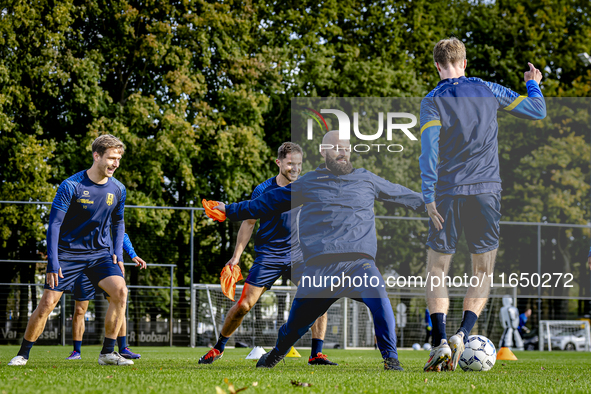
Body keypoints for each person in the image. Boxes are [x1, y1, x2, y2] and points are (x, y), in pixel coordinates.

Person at [212, 131, 425, 371]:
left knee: (379, 297)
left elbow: (400, 193)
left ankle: (391, 359)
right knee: (295, 327)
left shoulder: (367, 179)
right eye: (336, 147)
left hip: (359, 264)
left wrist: (431, 205)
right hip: (320, 270)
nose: (342, 152)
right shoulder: (309, 182)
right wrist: (230, 210)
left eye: (346, 148)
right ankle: (276, 354)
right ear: (323, 151)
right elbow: (266, 203)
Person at [419, 38, 546, 371]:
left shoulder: (432, 100)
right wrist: (533, 86)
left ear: (437, 65)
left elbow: (429, 152)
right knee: (483, 270)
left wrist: (428, 195)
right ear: (464, 62)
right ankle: (463, 333)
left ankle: (439, 342)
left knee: (436, 268)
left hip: (447, 192)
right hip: (487, 191)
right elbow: (537, 110)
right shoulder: (487, 88)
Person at [199, 142, 335, 366]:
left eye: (299, 164)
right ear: (279, 162)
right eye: (290, 164)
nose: (295, 169)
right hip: (269, 255)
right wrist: (236, 257)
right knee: (244, 305)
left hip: (299, 255)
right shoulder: (263, 190)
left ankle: (316, 354)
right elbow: (249, 222)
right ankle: (218, 348)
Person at [8, 134, 132, 366]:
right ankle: (22, 354)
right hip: (68, 254)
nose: (116, 163)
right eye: (111, 158)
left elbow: (118, 222)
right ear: (96, 156)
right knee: (46, 304)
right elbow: (54, 224)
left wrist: (118, 251)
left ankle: (107, 353)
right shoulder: (71, 185)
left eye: (118, 158)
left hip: (100, 254)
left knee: (120, 292)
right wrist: (53, 262)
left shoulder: (118, 189)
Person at [66, 233, 147, 360]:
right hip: (84, 266)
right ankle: (76, 351)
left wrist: (132, 254)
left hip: (106, 264)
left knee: (119, 303)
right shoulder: (80, 216)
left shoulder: (110, 215)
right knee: (79, 309)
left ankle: (123, 348)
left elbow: (122, 234)